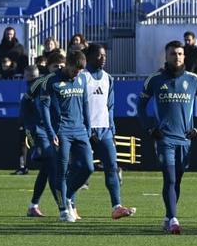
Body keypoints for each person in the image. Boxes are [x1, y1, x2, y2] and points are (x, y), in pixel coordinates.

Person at [138, 41, 197, 234]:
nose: (177, 57)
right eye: (173, 54)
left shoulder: (194, 80)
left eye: (180, 54)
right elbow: (140, 106)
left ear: (184, 57)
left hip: (185, 139)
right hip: (165, 140)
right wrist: (149, 128)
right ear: (166, 56)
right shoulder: (155, 79)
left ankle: (167, 216)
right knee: (170, 178)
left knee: (177, 180)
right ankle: (173, 219)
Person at [77, 44, 136, 220]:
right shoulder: (81, 77)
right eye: (99, 56)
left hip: (105, 131)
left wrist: (112, 129)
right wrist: (84, 128)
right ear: (89, 57)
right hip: (84, 130)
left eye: (104, 56)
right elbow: (77, 106)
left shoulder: (108, 79)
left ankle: (116, 206)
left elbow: (110, 106)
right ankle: (69, 205)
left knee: (112, 167)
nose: (103, 59)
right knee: (81, 169)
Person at [35, 49, 93, 223]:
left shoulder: (82, 78)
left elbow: (85, 103)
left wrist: (88, 126)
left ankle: (67, 196)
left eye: (80, 71)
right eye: (75, 70)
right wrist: (51, 132)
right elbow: (44, 107)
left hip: (80, 130)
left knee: (88, 167)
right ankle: (63, 210)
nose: (77, 74)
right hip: (62, 131)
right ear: (67, 65)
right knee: (61, 171)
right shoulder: (51, 81)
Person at [22, 65, 55, 217]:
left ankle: (34, 205)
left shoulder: (59, 83)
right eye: (56, 66)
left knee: (49, 168)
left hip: (51, 130)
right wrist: (29, 126)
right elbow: (26, 103)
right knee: (50, 164)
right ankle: (64, 207)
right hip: (38, 129)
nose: (59, 68)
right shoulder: (41, 83)